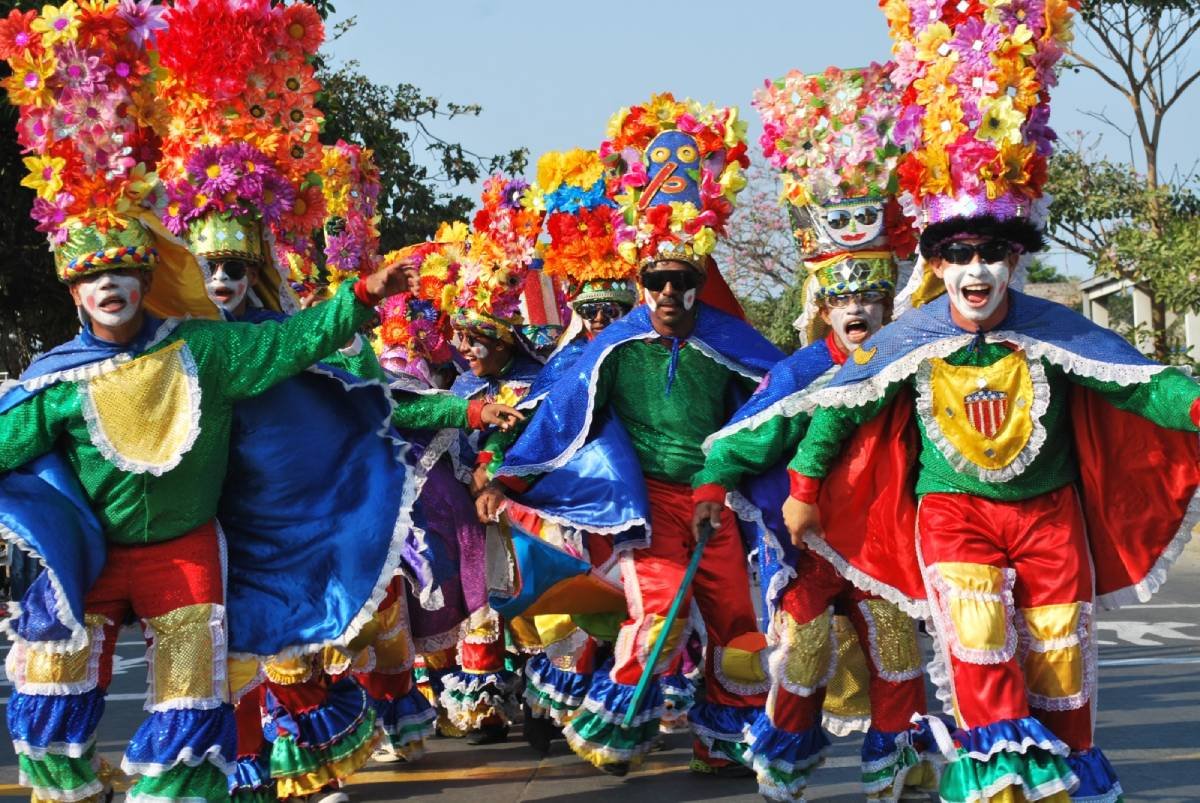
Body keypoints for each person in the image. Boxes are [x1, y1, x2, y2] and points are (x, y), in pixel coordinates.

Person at [784, 4, 1200, 801]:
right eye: (958, 252)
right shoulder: (909, 336)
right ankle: (995, 782)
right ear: (936, 264)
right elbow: (840, 404)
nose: (976, 268)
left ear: (1016, 257)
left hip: (1051, 519)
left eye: (993, 251)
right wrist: (804, 489)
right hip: (954, 515)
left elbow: (1141, 382)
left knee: (1060, 663)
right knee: (976, 643)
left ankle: (1059, 778)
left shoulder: (1055, 329)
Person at [483, 95, 783, 778]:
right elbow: (560, 416)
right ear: (641, 281)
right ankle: (613, 724)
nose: (671, 293)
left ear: (700, 281)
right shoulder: (614, 346)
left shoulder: (727, 341)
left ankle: (723, 739)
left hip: (714, 506)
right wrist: (503, 474)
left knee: (740, 631)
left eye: (683, 280)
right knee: (661, 620)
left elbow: (775, 402)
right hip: (643, 508)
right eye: (658, 280)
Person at [689, 63, 934, 801]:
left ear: (890, 300)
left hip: (882, 541)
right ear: (821, 304)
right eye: (843, 296)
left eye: (870, 293)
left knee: (896, 646)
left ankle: (894, 763)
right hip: (806, 542)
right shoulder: (800, 371)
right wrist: (711, 484)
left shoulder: (912, 363)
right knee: (808, 647)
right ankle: (785, 760)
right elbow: (746, 435)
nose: (857, 308)